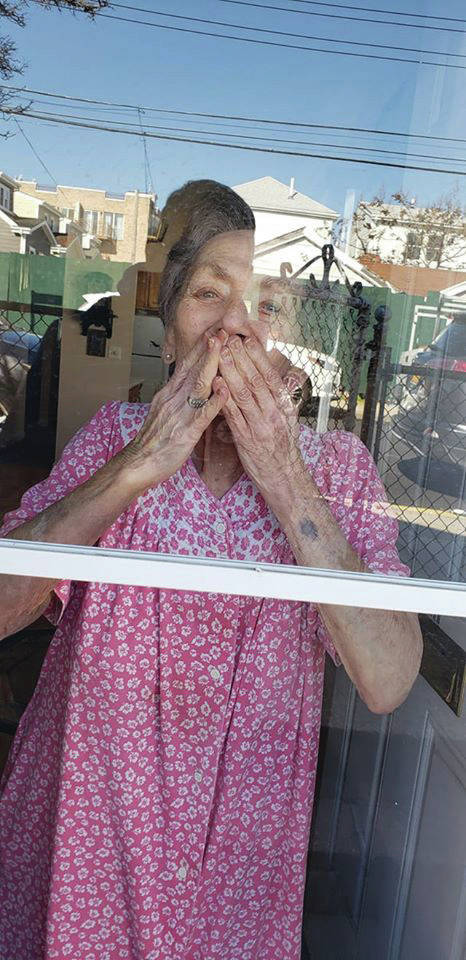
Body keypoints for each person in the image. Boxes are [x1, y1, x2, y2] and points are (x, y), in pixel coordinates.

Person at [0, 179, 423, 960]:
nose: (235, 326)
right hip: (98, 829)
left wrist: (284, 476)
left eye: (267, 306)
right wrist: (137, 466)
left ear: (294, 344)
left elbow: (390, 678)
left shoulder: (338, 468)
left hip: (240, 854)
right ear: (169, 331)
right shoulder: (114, 436)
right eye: (207, 294)